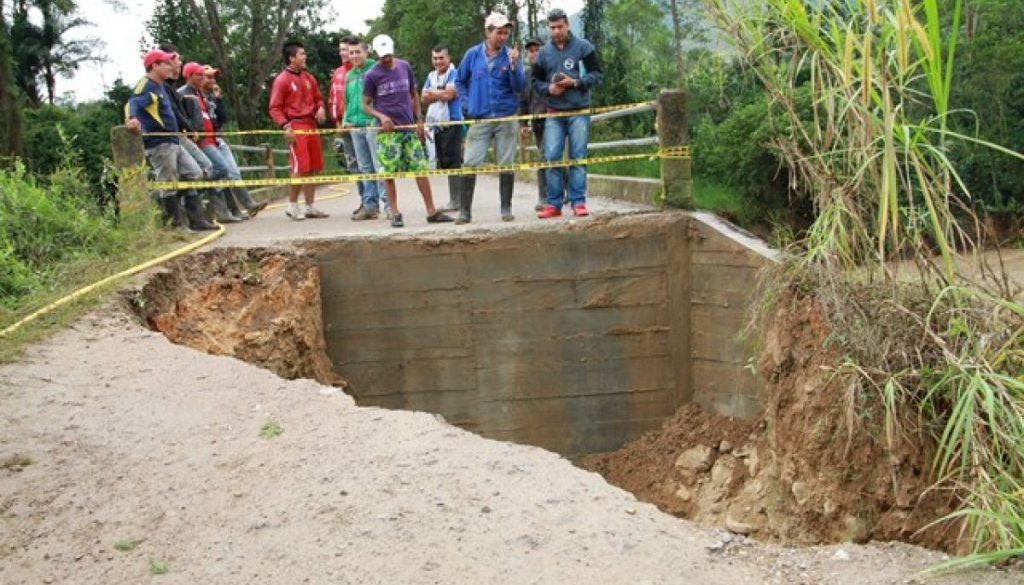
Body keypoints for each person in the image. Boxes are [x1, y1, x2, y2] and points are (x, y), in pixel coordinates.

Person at [362, 34, 454, 228]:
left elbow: (413, 94)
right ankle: (394, 212)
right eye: (382, 56)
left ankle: (431, 211)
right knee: (388, 172)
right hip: (388, 132)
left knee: (420, 168)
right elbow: (366, 105)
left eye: (388, 55)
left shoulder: (404, 67)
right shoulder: (372, 75)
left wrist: (418, 119)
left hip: (409, 127)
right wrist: (381, 116)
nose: (386, 59)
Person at [125, 48, 215, 231]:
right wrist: (131, 119)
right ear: (154, 66)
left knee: (195, 173)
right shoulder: (146, 85)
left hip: (173, 139)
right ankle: (176, 224)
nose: (169, 67)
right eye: (165, 63)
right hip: (159, 142)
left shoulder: (160, 86)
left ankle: (162, 199)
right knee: (168, 181)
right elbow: (132, 103)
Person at [532, 7, 604, 218]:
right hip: (554, 111)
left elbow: (597, 75)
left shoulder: (584, 47)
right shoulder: (543, 53)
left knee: (578, 156)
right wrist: (549, 89)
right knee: (552, 157)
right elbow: (535, 81)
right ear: (548, 28)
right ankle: (553, 204)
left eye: (559, 27)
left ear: (567, 25)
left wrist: (576, 82)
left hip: (578, 110)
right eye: (552, 27)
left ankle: (578, 201)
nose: (556, 31)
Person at [454, 12, 526, 223]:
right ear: (488, 32)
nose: (503, 37)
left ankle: (506, 208)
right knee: (470, 162)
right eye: (499, 32)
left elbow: (520, 86)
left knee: (506, 162)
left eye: (506, 33)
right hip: (481, 117)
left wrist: (514, 66)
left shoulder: (511, 55)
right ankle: (465, 211)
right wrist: (468, 105)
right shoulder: (472, 55)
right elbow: (459, 82)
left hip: (505, 116)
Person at [268, 40, 329, 221]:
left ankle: (310, 206)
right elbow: (274, 108)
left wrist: (321, 108)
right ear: (291, 58)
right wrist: (285, 126)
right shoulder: (282, 80)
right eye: (301, 54)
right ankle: (292, 204)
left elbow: (318, 98)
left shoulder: (309, 78)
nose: (305, 57)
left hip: (311, 125)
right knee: (299, 166)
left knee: (312, 166)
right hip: (295, 125)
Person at [178, 62, 245, 223]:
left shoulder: (200, 94)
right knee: (220, 169)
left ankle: (225, 212)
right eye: (199, 75)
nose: (203, 78)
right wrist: (192, 133)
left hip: (212, 137)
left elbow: (218, 117)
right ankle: (200, 187)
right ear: (189, 76)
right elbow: (182, 117)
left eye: (204, 75)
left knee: (222, 173)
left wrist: (217, 99)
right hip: (200, 140)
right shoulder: (183, 93)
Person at [201, 71, 269, 218]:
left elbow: (222, 118)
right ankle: (228, 211)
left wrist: (218, 99)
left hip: (218, 138)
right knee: (221, 172)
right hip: (206, 141)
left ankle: (247, 205)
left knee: (233, 172)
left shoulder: (211, 97)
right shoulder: (195, 96)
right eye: (208, 76)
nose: (213, 80)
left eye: (214, 77)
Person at [343, 37, 389, 221]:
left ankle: (388, 205)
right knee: (364, 168)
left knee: (380, 166)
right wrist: (346, 120)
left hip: (372, 123)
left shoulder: (376, 69)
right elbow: (347, 102)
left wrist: (378, 118)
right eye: (351, 52)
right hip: (355, 126)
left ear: (366, 52)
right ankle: (370, 205)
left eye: (357, 52)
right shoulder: (349, 75)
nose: (354, 56)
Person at [519, 37, 566, 211]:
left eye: (537, 50)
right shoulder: (526, 76)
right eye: (531, 51)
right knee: (551, 156)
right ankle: (565, 189)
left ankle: (544, 196)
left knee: (545, 157)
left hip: (553, 118)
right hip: (537, 120)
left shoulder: (553, 72)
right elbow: (522, 100)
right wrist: (523, 122)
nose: (534, 53)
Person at [421, 44, 464, 213]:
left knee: (454, 161)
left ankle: (457, 200)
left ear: (448, 58)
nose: (438, 61)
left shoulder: (455, 73)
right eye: (435, 58)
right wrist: (440, 93)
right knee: (444, 161)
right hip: (436, 124)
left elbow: (450, 94)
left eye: (441, 58)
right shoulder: (431, 75)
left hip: (452, 121)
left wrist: (434, 93)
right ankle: (454, 199)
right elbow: (423, 97)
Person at [327, 36, 366, 208]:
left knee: (367, 164)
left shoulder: (362, 72)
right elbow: (333, 100)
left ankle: (373, 201)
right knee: (353, 165)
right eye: (341, 50)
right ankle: (364, 200)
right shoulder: (337, 73)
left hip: (360, 124)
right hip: (344, 126)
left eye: (347, 50)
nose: (344, 53)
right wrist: (337, 123)